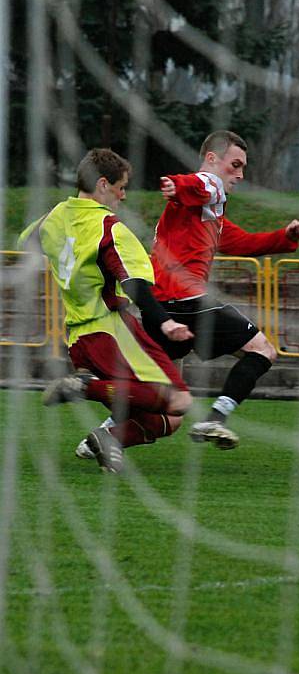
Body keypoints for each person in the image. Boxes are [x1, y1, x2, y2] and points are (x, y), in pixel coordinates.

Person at [18, 148, 193, 473]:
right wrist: (165, 322)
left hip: (78, 340)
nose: (123, 195)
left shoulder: (55, 217)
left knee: (168, 420)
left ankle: (107, 440)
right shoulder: (109, 227)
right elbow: (136, 284)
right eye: (121, 187)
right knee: (181, 400)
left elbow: (25, 240)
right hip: (111, 331)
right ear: (102, 184)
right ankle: (84, 387)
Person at [143, 129, 299, 450]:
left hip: (161, 309)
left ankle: (105, 433)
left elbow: (243, 243)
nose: (240, 174)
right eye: (236, 165)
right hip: (187, 302)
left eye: (243, 167)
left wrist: (286, 236)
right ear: (212, 159)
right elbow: (202, 184)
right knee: (263, 350)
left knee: (166, 401)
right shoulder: (209, 186)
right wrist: (179, 184)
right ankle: (217, 419)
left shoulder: (207, 216)